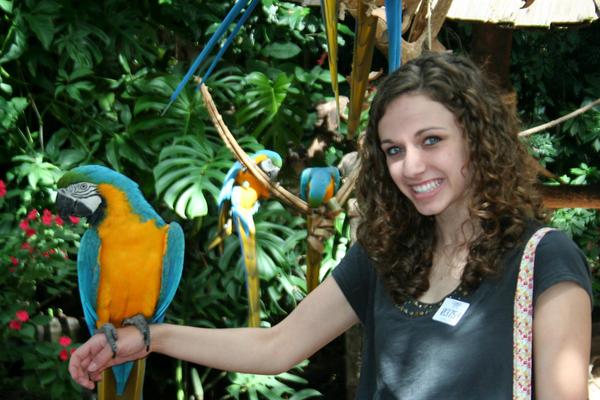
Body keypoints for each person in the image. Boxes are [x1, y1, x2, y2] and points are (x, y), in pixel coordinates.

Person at [69, 52, 592, 399]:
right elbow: (274, 348)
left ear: (477, 140)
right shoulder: (386, 255)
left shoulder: (544, 260)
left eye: (432, 141)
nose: (410, 167)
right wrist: (149, 339)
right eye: (393, 150)